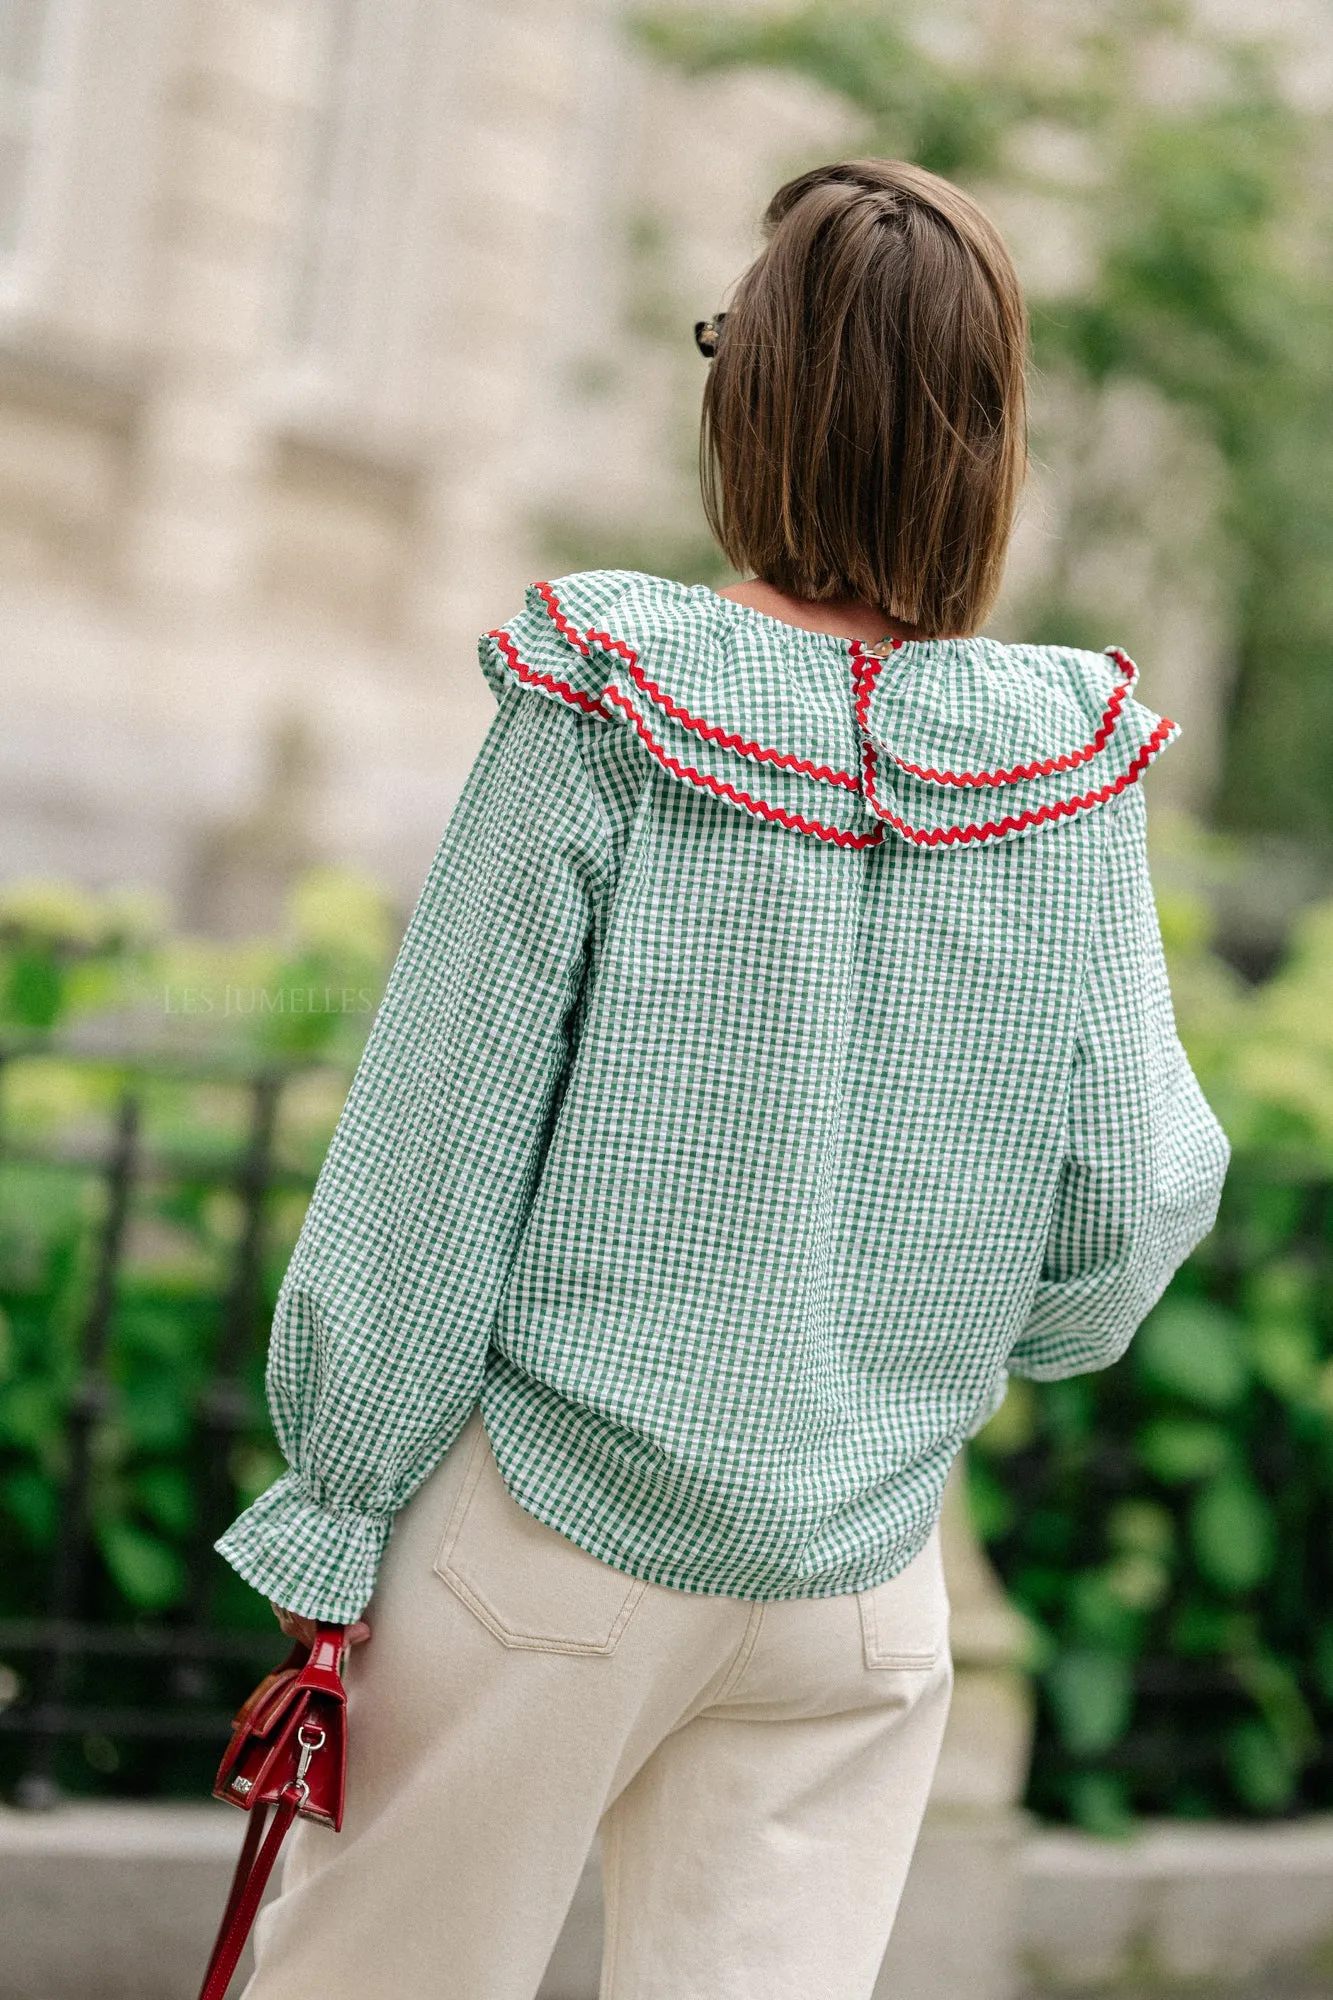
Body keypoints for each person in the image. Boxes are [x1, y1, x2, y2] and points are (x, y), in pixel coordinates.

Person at [216, 158, 1229, 2000]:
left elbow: (435, 1153)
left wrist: (344, 1500)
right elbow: (1142, 1179)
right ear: (986, 437)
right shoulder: (1068, 763)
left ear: (746, 390)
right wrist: (986, 1336)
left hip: (552, 1539)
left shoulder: (610, 694)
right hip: (859, 1585)